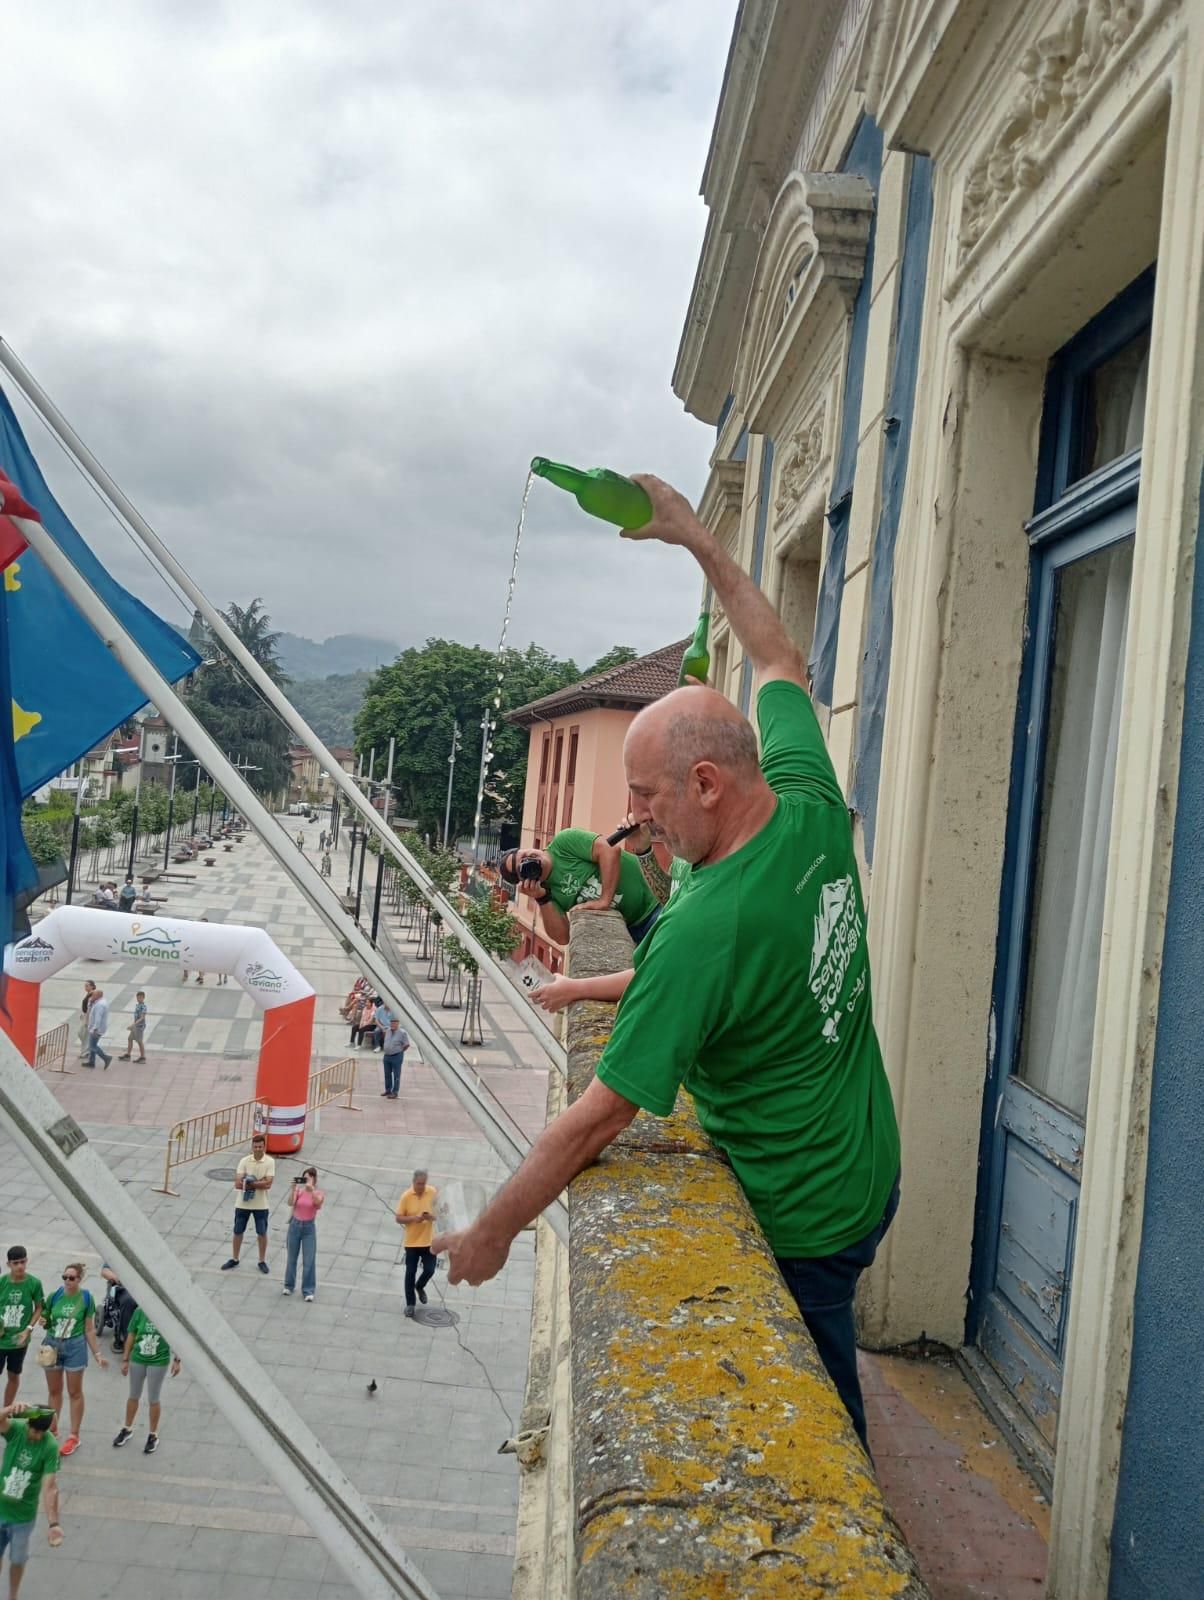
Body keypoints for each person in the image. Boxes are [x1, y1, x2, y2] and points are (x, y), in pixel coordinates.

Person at [434, 474, 901, 1454]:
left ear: (705, 781)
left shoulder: (704, 925)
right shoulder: (807, 795)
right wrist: (695, 537)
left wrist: (495, 1230)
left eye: (647, 794)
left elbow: (600, 1113)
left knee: (815, 1429)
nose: (635, 815)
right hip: (868, 1166)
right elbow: (777, 654)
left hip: (804, 1211)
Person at [499, 827, 662, 946]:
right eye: (523, 866)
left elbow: (610, 850)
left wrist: (604, 901)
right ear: (524, 879)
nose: (528, 859)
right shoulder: (547, 891)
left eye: (524, 854)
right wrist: (542, 898)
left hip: (655, 901)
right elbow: (562, 938)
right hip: (633, 929)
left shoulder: (563, 843)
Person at [41, 1264, 108, 1456]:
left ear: (80, 1279)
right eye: (65, 1277)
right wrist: (44, 1321)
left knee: (75, 1392)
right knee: (54, 1391)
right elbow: (46, 1317)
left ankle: (74, 1435)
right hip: (53, 1344)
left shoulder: (86, 1298)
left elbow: (88, 1329)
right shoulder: (55, 1295)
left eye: (72, 1278)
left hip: (75, 1346)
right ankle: (52, 1430)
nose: (67, 1281)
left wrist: (97, 1353)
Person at [0, 1403, 63, 1596]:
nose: (35, 1436)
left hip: (23, 1518)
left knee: (18, 1560)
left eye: (40, 1433)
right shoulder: (17, 1428)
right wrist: (9, 1409)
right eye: (33, 1430)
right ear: (27, 1422)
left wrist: (54, 1524)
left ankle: (12, 1596)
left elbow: (50, 1487)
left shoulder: (50, 1446)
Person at [113, 1308, 180, 1454]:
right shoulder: (139, 1311)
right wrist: (125, 1359)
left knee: (153, 1398)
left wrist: (177, 1360)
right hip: (138, 1358)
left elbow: (176, 1337)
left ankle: (153, 1434)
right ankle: (127, 1428)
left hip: (158, 1360)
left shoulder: (167, 1314)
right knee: (133, 1395)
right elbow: (131, 1335)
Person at [222, 1134, 275, 1273]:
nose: (257, 1149)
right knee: (238, 1230)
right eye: (255, 1147)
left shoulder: (270, 1162)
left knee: (262, 1232)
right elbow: (238, 1184)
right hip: (242, 1204)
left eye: (260, 1147)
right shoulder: (244, 1161)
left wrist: (250, 1182)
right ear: (252, 1147)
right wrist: (259, 1182)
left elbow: (268, 1184)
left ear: (264, 1147)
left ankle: (262, 1260)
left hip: (261, 1205)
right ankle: (234, 1258)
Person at [0, 1253, 43, 1410]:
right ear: (8, 1264)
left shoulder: (34, 1283)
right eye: (15, 1263)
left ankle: (6, 1410)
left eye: (22, 1262)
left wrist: (29, 1329)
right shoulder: (2, 1282)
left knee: (13, 1375)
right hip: (0, 1340)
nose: (20, 1266)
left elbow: (39, 1307)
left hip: (19, 1341)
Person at [395, 1171, 438, 1319]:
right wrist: (414, 1218)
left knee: (430, 1269)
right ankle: (410, 1304)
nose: (421, 1187)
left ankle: (419, 1286)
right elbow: (398, 1218)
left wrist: (432, 1217)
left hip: (429, 1241)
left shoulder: (432, 1192)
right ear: (413, 1182)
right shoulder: (406, 1196)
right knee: (410, 1272)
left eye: (423, 1184)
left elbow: (442, 1211)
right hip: (412, 1242)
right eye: (419, 1184)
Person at [281, 1167, 325, 1302]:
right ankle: (289, 1285)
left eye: (310, 1178)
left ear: (314, 1180)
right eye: (305, 1178)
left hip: (308, 1228)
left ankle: (308, 1289)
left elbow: (318, 1203)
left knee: (309, 1260)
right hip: (295, 1225)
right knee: (291, 1257)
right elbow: (290, 1202)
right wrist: (293, 1189)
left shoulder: (318, 1193)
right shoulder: (299, 1192)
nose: (307, 1181)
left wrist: (311, 1191)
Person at [97, 1267, 137, 1355]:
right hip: (124, 1289)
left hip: (143, 1289)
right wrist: (119, 1279)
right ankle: (127, 1338)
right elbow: (105, 1271)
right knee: (129, 1301)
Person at [380, 1017, 410, 1100]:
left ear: (398, 1023)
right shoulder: (388, 1031)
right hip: (387, 1056)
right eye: (391, 1022)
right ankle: (388, 1090)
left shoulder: (402, 1033)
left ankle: (395, 1092)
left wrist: (400, 1051)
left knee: (396, 1075)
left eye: (394, 1023)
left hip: (397, 1056)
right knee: (387, 1074)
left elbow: (407, 1044)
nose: (392, 1024)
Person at [83, 990, 112, 1070]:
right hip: (95, 1027)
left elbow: (98, 1018)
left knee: (92, 1046)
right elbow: (90, 1010)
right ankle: (91, 1061)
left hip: (96, 1028)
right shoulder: (99, 1001)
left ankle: (106, 1058)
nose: (92, 997)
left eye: (93, 995)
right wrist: (90, 1002)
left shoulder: (100, 1005)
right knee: (93, 1044)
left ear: (98, 996)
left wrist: (95, 1028)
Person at [118, 993, 148, 1063]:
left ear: (143, 998)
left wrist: (133, 1025)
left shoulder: (143, 1007)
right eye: (138, 997)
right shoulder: (138, 1005)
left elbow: (142, 1018)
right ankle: (128, 1055)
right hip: (135, 1026)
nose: (138, 999)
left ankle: (143, 1057)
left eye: (140, 997)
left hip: (139, 1027)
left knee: (140, 1041)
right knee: (130, 1038)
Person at [75, 981, 96, 1064]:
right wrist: (82, 1014)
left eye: (87, 986)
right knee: (81, 1034)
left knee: (83, 1033)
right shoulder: (88, 994)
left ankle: (85, 1052)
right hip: (85, 1016)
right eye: (85, 986)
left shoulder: (93, 995)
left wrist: (87, 1019)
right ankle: (86, 1050)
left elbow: (91, 1008)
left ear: (92, 986)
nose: (85, 987)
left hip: (88, 1017)